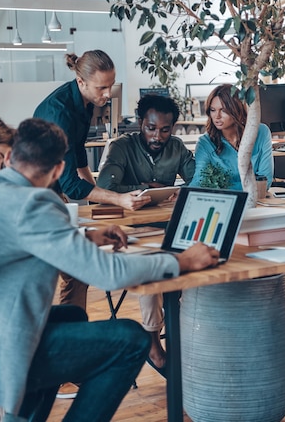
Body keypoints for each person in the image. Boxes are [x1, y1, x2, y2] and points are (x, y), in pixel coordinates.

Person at [0, 118, 220, 421]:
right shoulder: (33, 203)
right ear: (59, 170)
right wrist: (182, 261)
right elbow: (110, 275)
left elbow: (16, 241)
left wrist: (84, 239)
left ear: (9, 158)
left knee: (71, 315)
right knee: (130, 339)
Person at [33, 51, 149, 361]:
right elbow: (70, 184)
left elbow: (78, 156)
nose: (108, 94)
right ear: (81, 81)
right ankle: (63, 360)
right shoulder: (60, 111)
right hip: (39, 195)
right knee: (71, 268)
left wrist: (98, 196)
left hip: (55, 191)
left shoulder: (82, 103)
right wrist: (118, 199)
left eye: (111, 85)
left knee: (75, 269)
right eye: (101, 88)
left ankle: (67, 352)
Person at [97, 94, 195, 375]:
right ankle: (152, 341)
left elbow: (198, 178)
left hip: (166, 226)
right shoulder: (121, 147)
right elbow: (105, 186)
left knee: (196, 259)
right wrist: (144, 187)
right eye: (151, 128)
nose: (157, 135)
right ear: (141, 123)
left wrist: (178, 190)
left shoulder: (176, 148)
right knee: (150, 265)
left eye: (165, 130)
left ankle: (186, 336)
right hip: (128, 230)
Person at [190, 84, 273, 191]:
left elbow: (265, 182)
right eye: (213, 110)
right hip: (222, 201)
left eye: (223, 110)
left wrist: (220, 186)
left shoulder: (261, 132)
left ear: (236, 109)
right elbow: (200, 180)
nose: (217, 116)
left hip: (257, 201)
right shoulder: (205, 143)